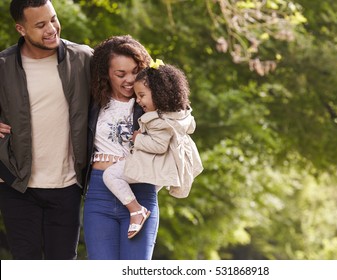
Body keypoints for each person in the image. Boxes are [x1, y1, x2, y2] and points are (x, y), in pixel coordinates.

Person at [0, 0, 92, 259]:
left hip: (68, 186)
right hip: (16, 185)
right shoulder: (3, 66)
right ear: (21, 29)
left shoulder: (83, 58)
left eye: (53, 19)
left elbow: (123, 92)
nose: (51, 28)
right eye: (40, 25)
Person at [103, 61, 203, 239]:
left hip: (158, 164)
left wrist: (138, 139)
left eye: (141, 95)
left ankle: (136, 210)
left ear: (159, 93)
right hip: (167, 167)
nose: (138, 100)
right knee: (151, 187)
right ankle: (141, 206)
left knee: (110, 175)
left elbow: (158, 145)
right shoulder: (179, 115)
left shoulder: (160, 120)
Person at [83, 35, 160, 260]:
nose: (130, 79)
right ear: (106, 74)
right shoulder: (93, 102)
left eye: (136, 71)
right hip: (99, 195)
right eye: (120, 74)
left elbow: (175, 137)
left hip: (141, 195)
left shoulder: (151, 103)